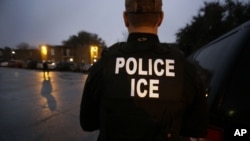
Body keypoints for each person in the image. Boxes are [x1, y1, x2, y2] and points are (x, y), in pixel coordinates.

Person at [80, 0, 208, 140]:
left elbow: (88, 123)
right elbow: (198, 129)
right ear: (160, 18)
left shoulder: (103, 65)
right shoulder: (185, 67)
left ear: (125, 18)